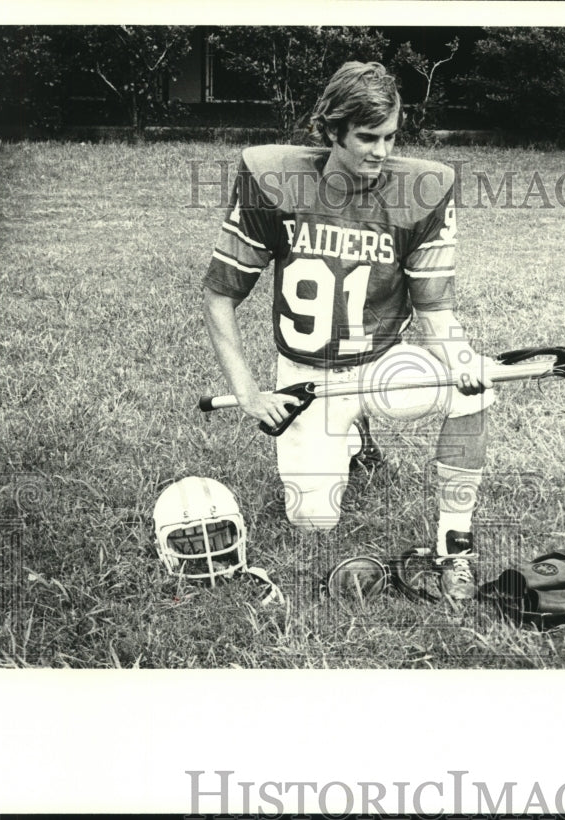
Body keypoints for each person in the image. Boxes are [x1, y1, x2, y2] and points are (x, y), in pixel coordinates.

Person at [202, 61, 494, 600]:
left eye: (390, 136)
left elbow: (432, 311)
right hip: (306, 373)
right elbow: (220, 295)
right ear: (331, 130)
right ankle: (356, 442)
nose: (381, 151)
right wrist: (247, 390)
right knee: (313, 521)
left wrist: (460, 360)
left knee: (472, 388)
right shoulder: (277, 181)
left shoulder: (420, 190)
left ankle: (455, 547)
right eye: (366, 137)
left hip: (382, 363)